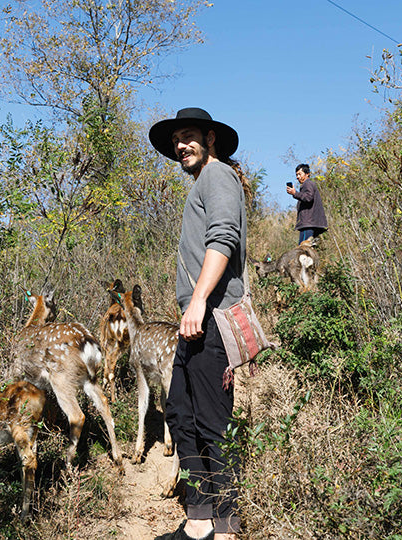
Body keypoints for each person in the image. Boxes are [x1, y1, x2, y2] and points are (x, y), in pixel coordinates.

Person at [148, 107, 246, 540]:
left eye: (188, 137)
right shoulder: (200, 185)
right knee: (179, 412)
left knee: (212, 421)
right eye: (175, 141)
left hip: (208, 320)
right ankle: (199, 520)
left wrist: (199, 302)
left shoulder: (218, 176)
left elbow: (224, 237)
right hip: (195, 324)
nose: (180, 145)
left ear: (210, 138)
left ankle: (223, 526)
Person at [286, 163, 328, 244]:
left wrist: (295, 193)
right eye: (296, 175)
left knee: (303, 249)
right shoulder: (308, 184)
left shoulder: (307, 183)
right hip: (311, 223)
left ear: (307, 174)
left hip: (308, 224)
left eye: (299, 174)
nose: (297, 177)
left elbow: (308, 198)